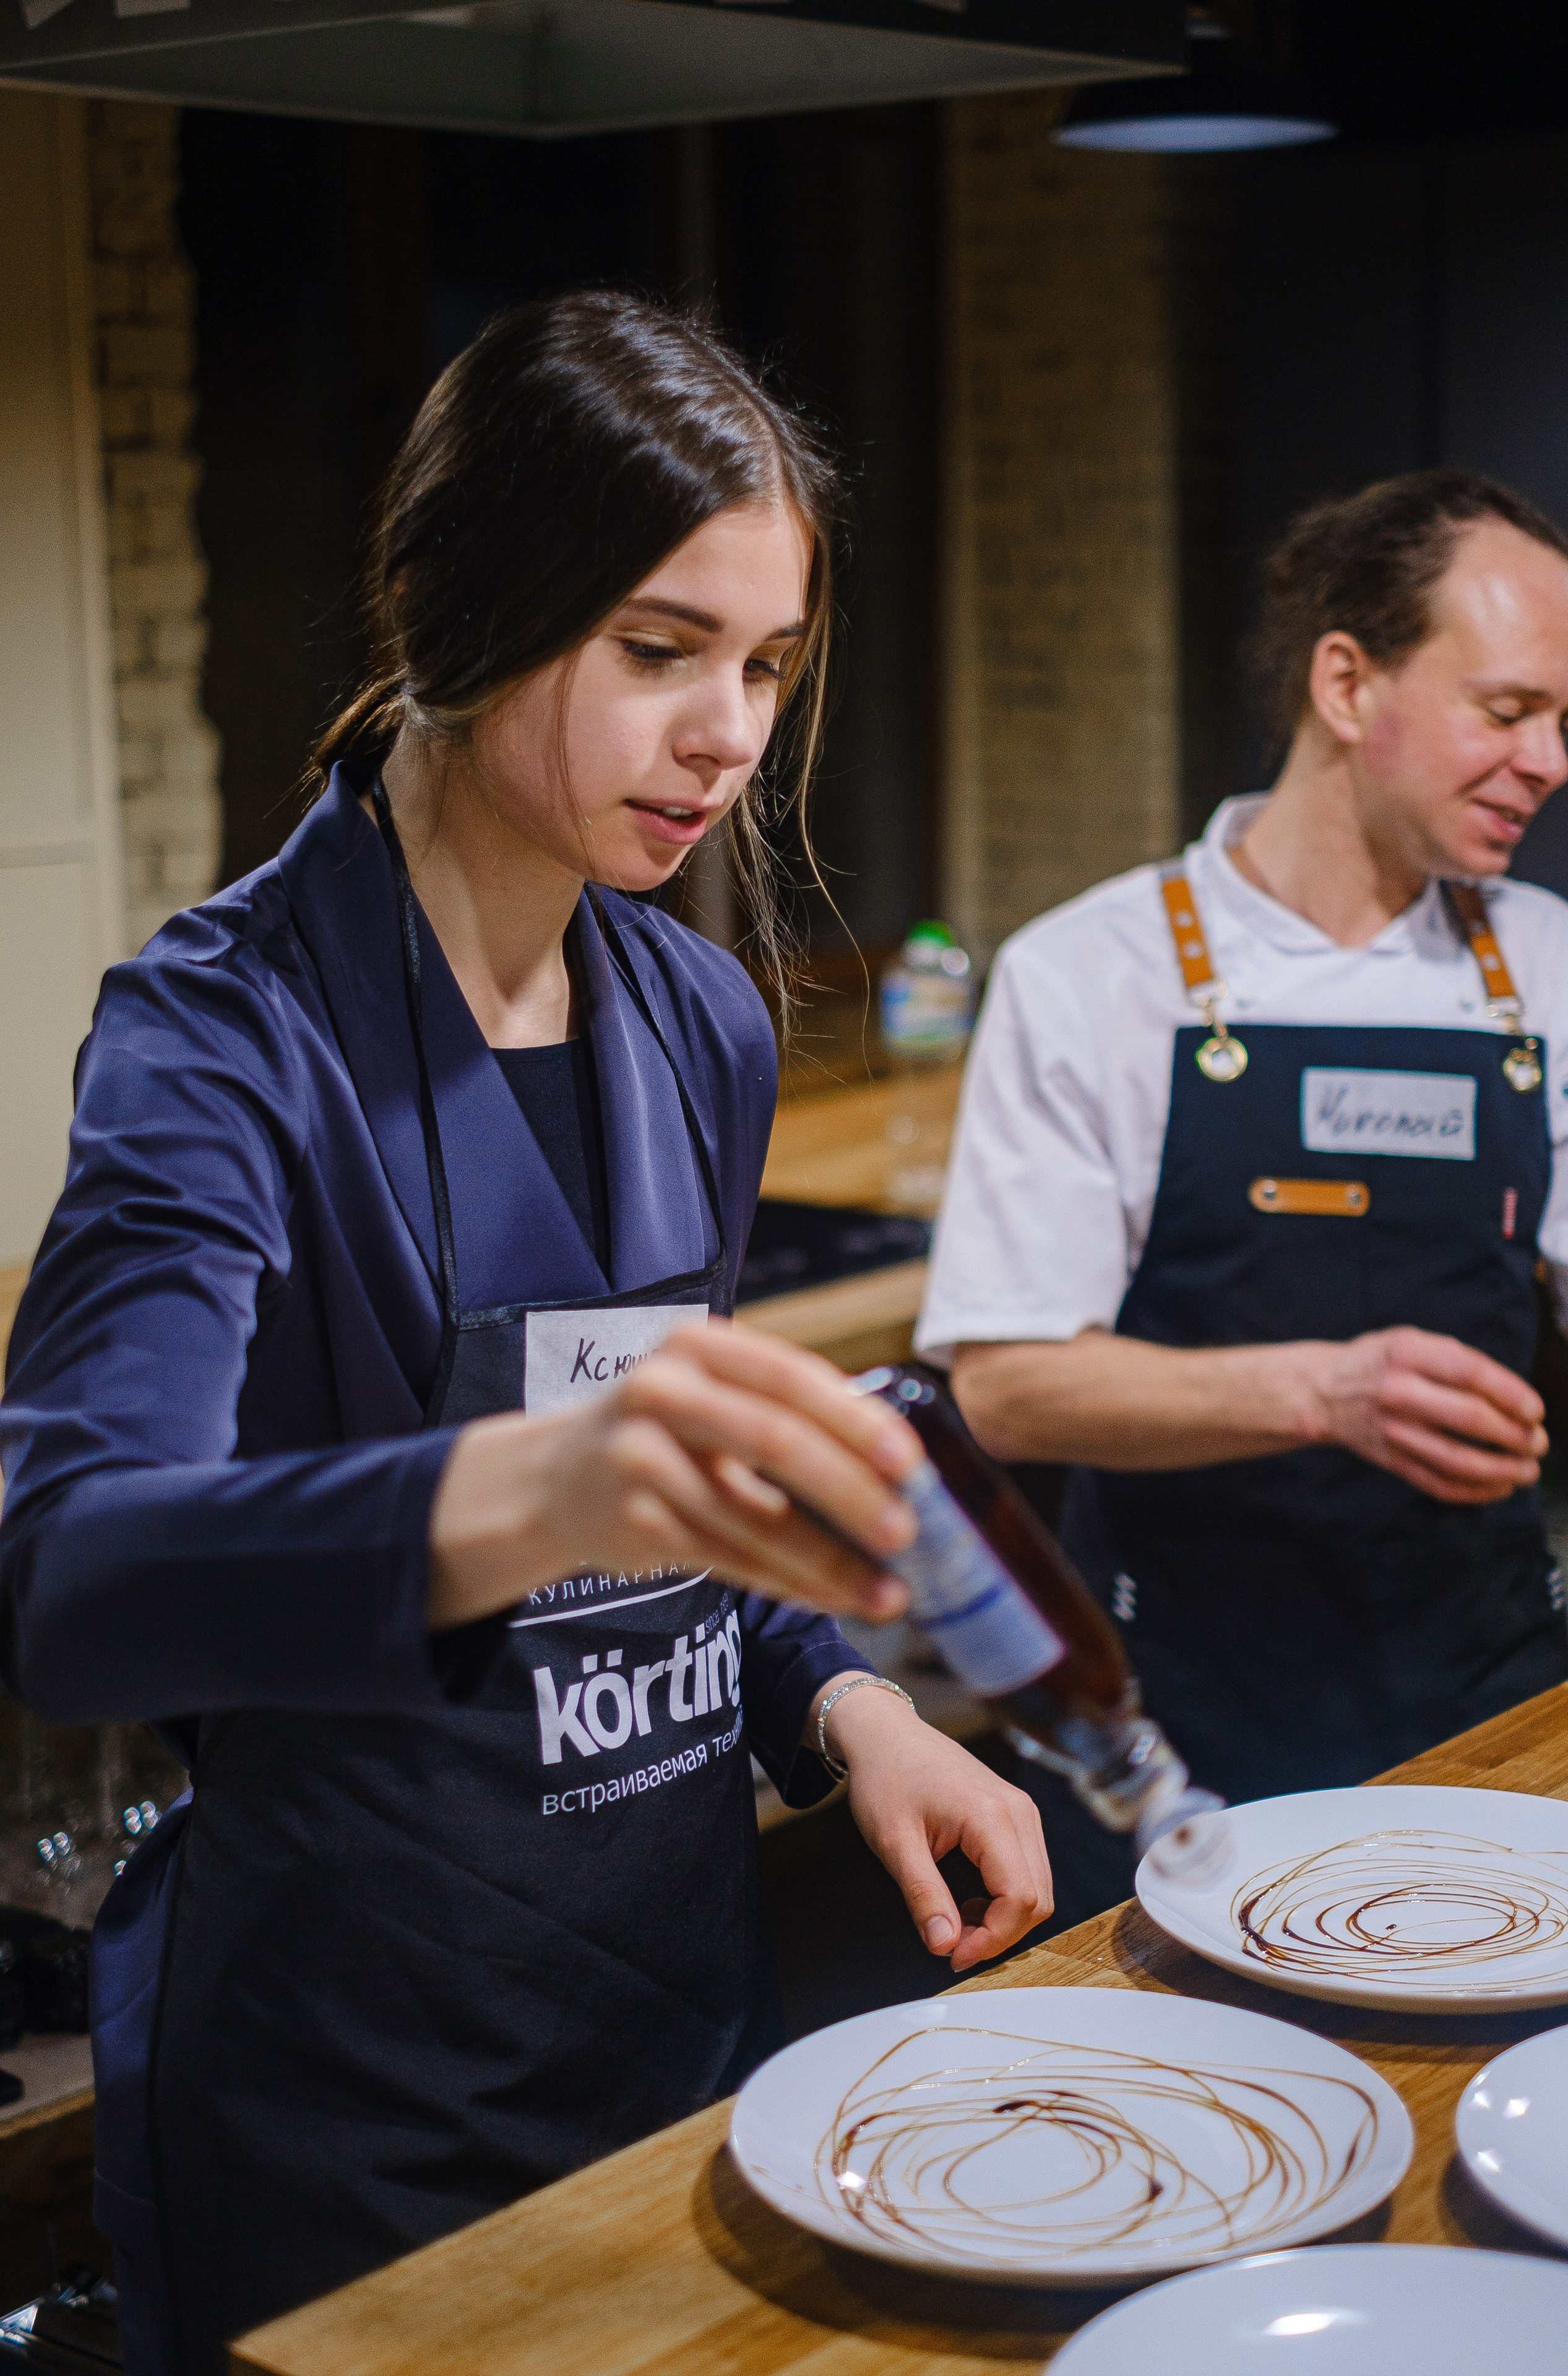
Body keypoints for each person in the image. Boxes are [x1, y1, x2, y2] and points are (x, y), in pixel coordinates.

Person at [0, 294, 1051, 2375]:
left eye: (766, 666)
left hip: (670, 2037)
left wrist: (852, 1706)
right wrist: (528, 1487)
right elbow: (70, 1578)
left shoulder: (700, 1021)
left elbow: (693, 1513)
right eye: (661, 651)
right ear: (453, 606)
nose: (731, 734)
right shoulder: (220, 1041)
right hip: (347, 2122)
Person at [917, 467, 1568, 1929]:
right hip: (1178, 1719)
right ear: (1346, 682)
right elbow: (1007, 1393)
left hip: (1480, 1685)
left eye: (1562, 724)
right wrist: (1325, 1391)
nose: (1546, 761)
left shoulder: (1542, 965)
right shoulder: (1092, 972)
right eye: (1505, 710)